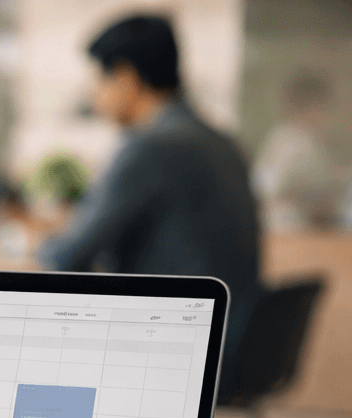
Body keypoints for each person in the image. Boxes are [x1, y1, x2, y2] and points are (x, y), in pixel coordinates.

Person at [37, 15, 260, 353]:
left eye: (99, 79)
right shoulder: (219, 140)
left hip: (178, 340)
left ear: (126, 79)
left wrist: (28, 248)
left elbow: (67, 256)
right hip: (234, 335)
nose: (94, 94)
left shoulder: (152, 145)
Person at [254, 72, 340, 232]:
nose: (326, 118)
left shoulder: (312, 145)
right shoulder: (289, 141)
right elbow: (265, 187)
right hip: (285, 230)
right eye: (321, 109)